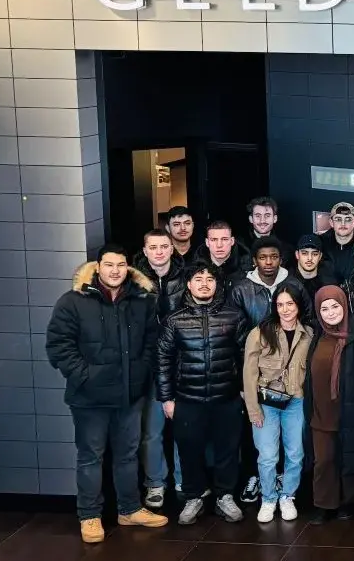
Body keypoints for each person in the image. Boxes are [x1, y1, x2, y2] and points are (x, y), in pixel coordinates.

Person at [46, 244, 169, 542]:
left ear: (128, 267)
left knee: (127, 455)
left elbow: (153, 344)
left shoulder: (142, 299)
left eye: (121, 264)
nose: (115, 270)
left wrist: (141, 374)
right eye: (109, 264)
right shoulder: (73, 301)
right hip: (89, 398)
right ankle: (89, 516)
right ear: (98, 266)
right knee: (91, 457)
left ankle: (129, 509)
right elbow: (58, 346)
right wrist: (85, 376)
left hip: (129, 395)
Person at [157, 262, 248, 526]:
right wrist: (167, 398)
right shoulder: (174, 320)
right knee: (189, 450)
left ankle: (225, 496)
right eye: (198, 278)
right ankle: (193, 497)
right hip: (188, 399)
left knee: (228, 450)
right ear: (189, 284)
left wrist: (243, 392)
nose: (204, 283)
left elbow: (245, 357)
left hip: (227, 397)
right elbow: (162, 361)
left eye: (210, 278)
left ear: (217, 284)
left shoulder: (234, 316)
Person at [306, 286, 354, 522]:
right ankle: (323, 504)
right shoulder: (316, 334)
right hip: (320, 411)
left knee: (349, 460)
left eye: (335, 306)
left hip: (351, 409)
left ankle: (347, 503)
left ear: (345, 306)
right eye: (324, 308)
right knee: (324, 460)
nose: (330, 313)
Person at [243, 287, 312, 523]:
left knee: (295, 453)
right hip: (267, 403)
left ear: (299, 306)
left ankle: (287, 496)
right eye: (280, 305)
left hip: (296, 401)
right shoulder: (261, 332)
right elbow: (249, 373)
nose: (285, 309)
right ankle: (268, 498)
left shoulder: (309, 334)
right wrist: (253, 410)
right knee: (268, 455)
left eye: (290, 304)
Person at [134, 229, 186, 509]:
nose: (159, 252)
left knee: (182, 428)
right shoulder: (133, 282)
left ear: (172, 248)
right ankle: (155, 483)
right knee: (152, 430)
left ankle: (183, 479)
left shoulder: (186, 276)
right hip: (150, 365)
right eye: (152, 247)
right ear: (145, 250)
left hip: (181, 363)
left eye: (163, 246)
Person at [318, 202, 354, 284]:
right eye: (338, 219)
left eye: (348, 219)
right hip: (330, 292)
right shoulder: (321, 243)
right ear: (331, 223)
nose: (343, 224)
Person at [247, 196, 294, 267]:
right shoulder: (239, 247)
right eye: (258, 216)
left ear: (275, 218)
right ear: (251, 219)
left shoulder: (286, 250)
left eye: (267, 216)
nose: (262, 221)